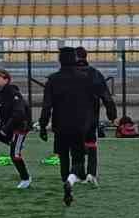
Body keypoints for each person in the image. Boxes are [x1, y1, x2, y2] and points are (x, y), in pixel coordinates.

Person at [39, 45, 97, 206]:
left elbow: (46, 106)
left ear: (60, 60)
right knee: (78, 160)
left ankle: (66, 182)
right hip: (79, 126)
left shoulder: (52, 80)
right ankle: (70, 182)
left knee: (63, 157)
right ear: (75, 59)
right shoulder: (85, 78)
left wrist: (43, 127)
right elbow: (92, 103)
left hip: (60, 125)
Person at [0, 67, 32, 188]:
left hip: (20, 126)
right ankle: (13, 142)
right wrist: (1, 125)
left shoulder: (13, 92)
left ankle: (26, 179)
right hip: (9, 125)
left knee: (14, 155)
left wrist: (5, 129)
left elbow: (19, 113)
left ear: (6, 80)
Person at [75, 46, 118, 186]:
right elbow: (106, 97)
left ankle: (77, 173)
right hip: (91, 115)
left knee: (75, 145)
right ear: (86, 56)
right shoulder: (95, 74)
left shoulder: (68, 74)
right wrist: (112, 115)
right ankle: (91, 174)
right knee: (91, 143)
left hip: (72, 116)